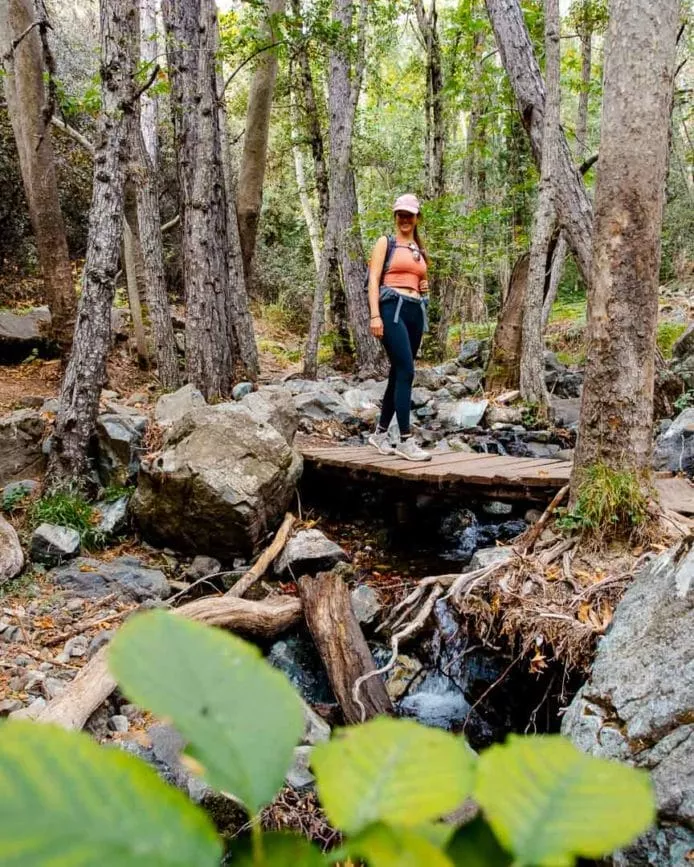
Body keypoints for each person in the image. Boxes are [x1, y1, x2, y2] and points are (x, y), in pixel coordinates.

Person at [367, 193, 432, 462]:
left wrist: (423, 286)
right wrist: (374, 316)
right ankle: (405, 439)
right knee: (407, 369)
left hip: (415, 311)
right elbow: (373, 280)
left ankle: (380, 434)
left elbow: (420, 278)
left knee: (398, 373)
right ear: (395, 217)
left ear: (417, 218)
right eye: (400, 214)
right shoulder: (386, 242)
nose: (405, 219)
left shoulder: (418, 248)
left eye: (410, 215)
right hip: (391, 309)